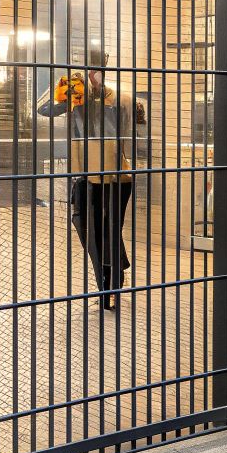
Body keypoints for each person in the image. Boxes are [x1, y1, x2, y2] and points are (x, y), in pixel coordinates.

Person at [36, 47, 145, 313]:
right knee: (87, 226)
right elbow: (44, 109)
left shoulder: (119, 96)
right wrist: (68, 95)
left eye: (98, 69)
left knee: (107, 231)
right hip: (86, 174)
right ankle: (115, 275)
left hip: (115, 174)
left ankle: (109, 286)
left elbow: (137, 119)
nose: (94, 74)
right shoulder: (76, 93)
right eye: (90, 69)